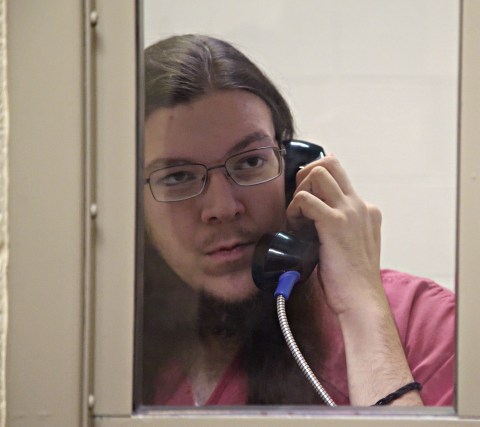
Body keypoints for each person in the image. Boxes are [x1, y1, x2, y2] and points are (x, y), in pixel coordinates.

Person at [140, 34, 455, 407]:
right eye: (176, 177)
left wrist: (362, 309)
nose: (222, 207)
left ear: (293, 172)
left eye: (250, 162)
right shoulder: (101, 346)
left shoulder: (422, 324)